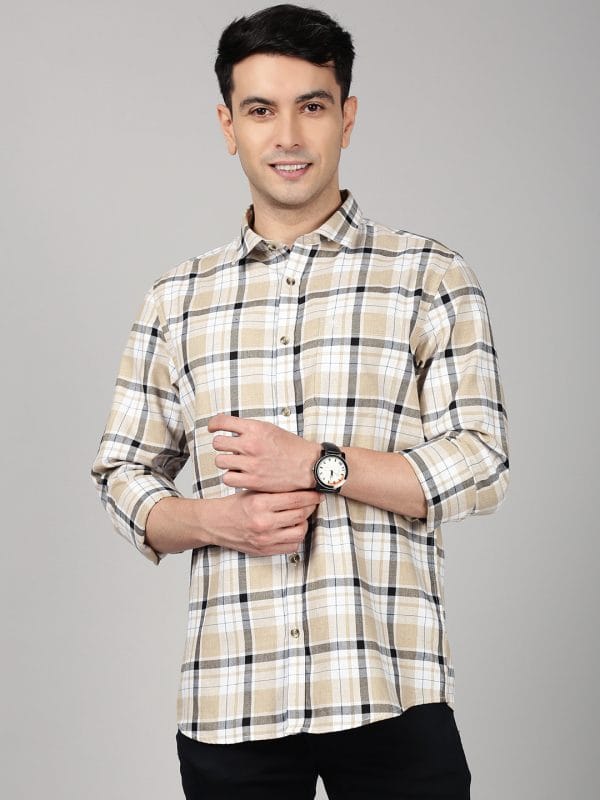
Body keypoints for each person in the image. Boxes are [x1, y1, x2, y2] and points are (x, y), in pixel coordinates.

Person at [92, 4, 509, 798]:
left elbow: (482, 465)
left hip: (388, 689)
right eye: (261, 110)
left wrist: (318, 464)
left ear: (346, 117)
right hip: (231, 697)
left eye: (311, 106)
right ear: (228, 126)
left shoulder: (430, 276)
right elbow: (121, 477)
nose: (287, 136)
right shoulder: (176, 299)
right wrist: (214, 521)